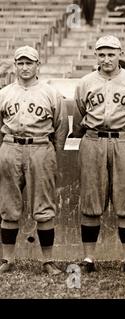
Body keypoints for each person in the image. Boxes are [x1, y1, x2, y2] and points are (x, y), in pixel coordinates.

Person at [72, 35, 125, 275]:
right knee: (90, 201)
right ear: (96, 55)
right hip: (93, 140)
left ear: (120, 53)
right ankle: (88, 259)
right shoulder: (85, 82)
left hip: (124, 140)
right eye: (102, 54)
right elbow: (78, 117)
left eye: (111, 54)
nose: (107, 59)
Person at [0, 46, 69, 274]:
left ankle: (47, 261)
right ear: (15, 65)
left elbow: (61, 127)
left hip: (40, 146)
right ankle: (7, 260)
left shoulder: (50, 93)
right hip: (10, 146)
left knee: (44, 207)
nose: (25, 67)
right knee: (8, 206)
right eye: (20, 63)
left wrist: (53, 154)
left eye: (29, 63)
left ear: (37, 65)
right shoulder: (5, 92)